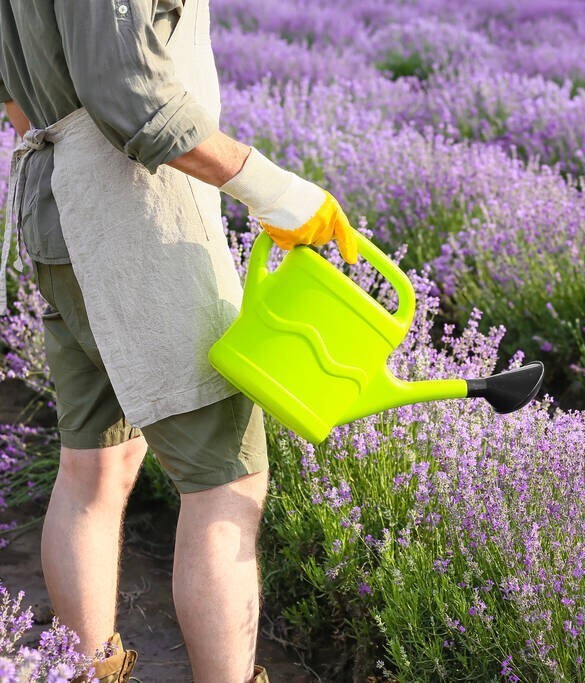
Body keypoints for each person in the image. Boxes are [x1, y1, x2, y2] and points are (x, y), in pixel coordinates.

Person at [0, 2, 358, 682]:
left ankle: (84, 671)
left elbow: (15, 90)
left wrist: (66, 150)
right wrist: (275, 191)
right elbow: (129, 92)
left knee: (95, 464)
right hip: (137, 221)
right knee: (225, 478)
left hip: (56, 212)